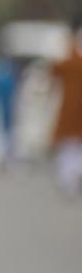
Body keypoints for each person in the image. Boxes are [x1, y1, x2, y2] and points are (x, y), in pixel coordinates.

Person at [50, 20, 82, 196]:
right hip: (73, 111)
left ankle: (70, 180)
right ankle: (71, 180)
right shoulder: (74, 59)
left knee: (70, 149)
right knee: (72, 148)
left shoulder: (70, 59)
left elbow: (53, 71)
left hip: (71, 110)